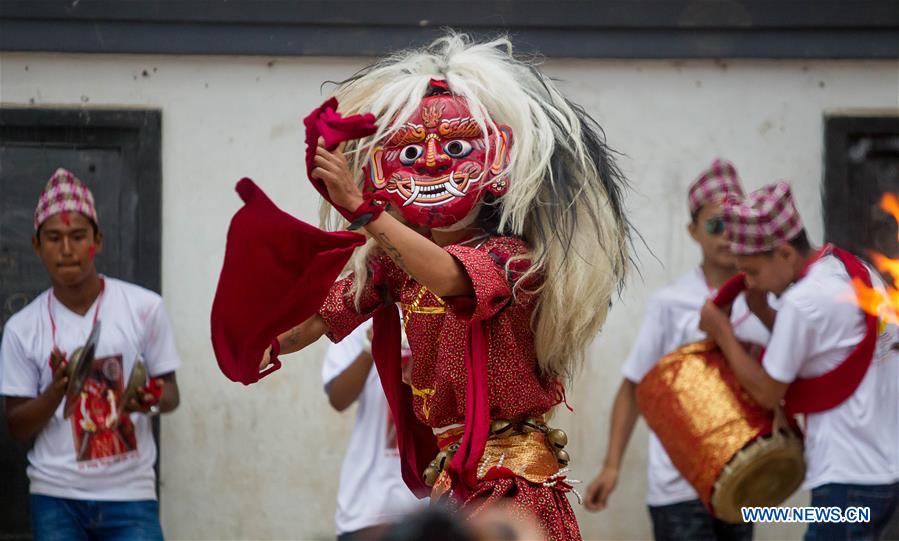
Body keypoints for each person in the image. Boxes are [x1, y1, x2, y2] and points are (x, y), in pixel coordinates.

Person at [258, 33, 631, 540]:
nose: (432, 161)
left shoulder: (511, 259)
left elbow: (451, 276)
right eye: (410, 150)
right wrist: (258, 345)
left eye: (455, 146)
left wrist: (363, 211)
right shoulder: (391, 264)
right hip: (453, 485)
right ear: (385, 170)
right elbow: (321, 317)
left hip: (515, 487)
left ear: (496, 161)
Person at [699, 181, 899, 540]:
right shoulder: (854, 271)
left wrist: (721, 330)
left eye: (754, 271)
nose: (752, 282)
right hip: (883, 472)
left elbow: (767, 391)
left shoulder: (802, 301)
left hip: (846, 477)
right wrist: (762, 313)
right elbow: (822, 348)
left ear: (786, 254)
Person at [584, 160, 769, 540]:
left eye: (734, 224)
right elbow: (634, 386)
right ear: (693, 231)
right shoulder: (671, 303)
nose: (726, 237)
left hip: (743, 478)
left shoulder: (762, 303)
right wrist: (611, 466)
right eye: (715, 225)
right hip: (678, 488)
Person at [0, 168, 181, 540]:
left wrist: (144, 399)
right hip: (56, 495)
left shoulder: (145, 308)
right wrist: (57, 391)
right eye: (54, 238)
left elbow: (172, 394)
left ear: (96, 240)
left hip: (131, 495)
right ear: (37, 246)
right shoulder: (22, 328)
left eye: (78, 236)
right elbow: (16, 426)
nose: (67, 249)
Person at [322, 320, 424, 540]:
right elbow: (338, 398)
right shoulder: (357, 315)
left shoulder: (449, 310)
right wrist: (371, 348)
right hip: (368, 504)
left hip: (431, 502)